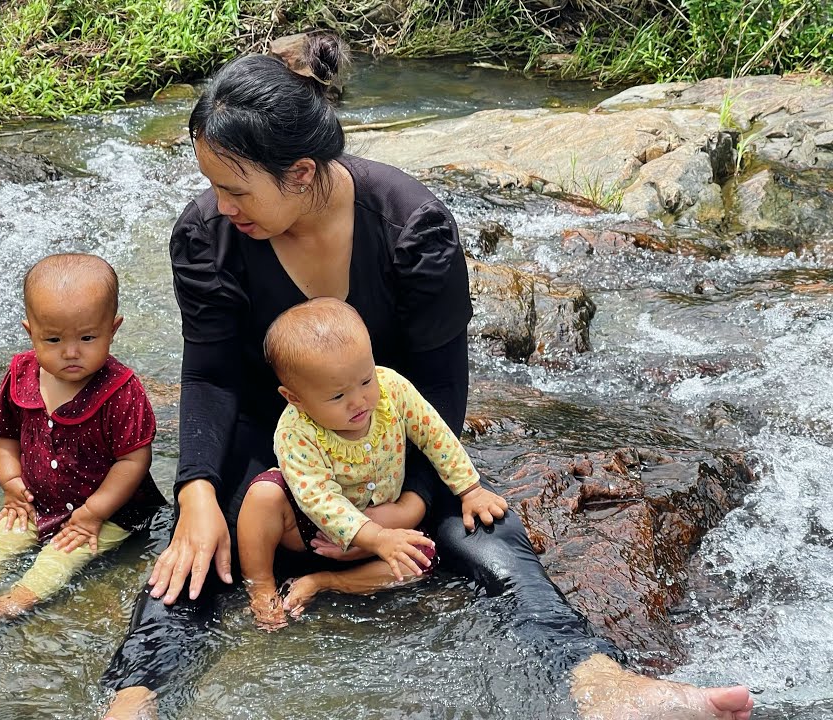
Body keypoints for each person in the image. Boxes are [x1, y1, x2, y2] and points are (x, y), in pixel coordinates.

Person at [100, 34, 754, 720]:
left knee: (489, 531)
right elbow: (211, 376)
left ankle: (601, 683)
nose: (220, 204)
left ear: (298, 174)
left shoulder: (413, 228)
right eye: (212, 185)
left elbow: (440, 393)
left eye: (235, 190)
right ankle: (136, 697)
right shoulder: (207, 236)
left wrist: (410, 503)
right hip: (280, 447)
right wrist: (199, 491)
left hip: (392, 443)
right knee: (194, 552)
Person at [0, 252, 165, 632]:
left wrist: (91, 514)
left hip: (106, 513)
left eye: (88, 338)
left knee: (58, 559)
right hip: (39, 502)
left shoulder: (122, 390)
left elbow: (133, 461)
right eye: (53, 339)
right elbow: (4, 434)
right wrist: (11, 485)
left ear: (113, 329)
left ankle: (13, 601)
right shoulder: (22, 373)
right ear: (31, 332)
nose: (71, 352)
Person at [239, 297, 508, 629]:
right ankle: (261, 587)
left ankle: (324, 582)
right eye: (338, 396)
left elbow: (434, 434)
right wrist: (375, 536)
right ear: (295, 398)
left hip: (382, 518)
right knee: (263, 495)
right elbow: (318, 499)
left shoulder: (392, 389)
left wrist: (470, 489)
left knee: (420, 561)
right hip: (312, 528)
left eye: (366, 379)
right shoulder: (296, 432)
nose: (359, 400)